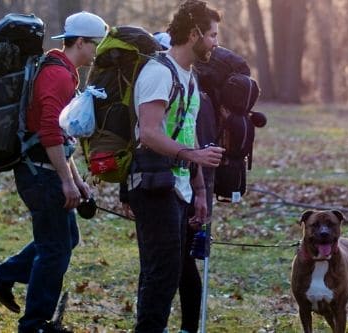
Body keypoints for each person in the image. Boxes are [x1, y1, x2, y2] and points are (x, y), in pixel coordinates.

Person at [0, 11, 107, 333]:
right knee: (54, 251)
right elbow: (50, 133)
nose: (97, 52)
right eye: (95, 45)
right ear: (80, 42)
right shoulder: (58, 76)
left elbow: (64, 139)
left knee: (65, 240)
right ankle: (34, 324)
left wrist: (79, 184)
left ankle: (2, 276)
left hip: (46, 169)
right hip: (40, 174)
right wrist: (66, 182)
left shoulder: (64, 73)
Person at [127, 1, 224, 332]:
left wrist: (198, 188)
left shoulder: (190, 77)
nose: (215, 42)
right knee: (161, 273)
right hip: (154, 184)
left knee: (173, 269)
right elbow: (149, 132)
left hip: (179, 186)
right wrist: (193, 156)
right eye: (211, 35)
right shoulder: (158, 72)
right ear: (194, 33)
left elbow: (187, 130)